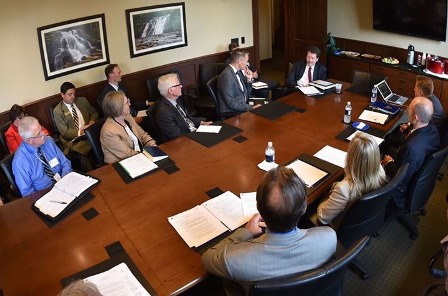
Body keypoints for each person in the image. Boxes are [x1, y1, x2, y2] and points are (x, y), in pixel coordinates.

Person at [201, 166, 337, 295]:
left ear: (259, 210)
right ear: (304, 208)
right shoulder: (329, 238)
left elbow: (207, 258)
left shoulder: (233, 260)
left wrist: (246, 232)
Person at [382, 97, 441, 209]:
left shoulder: (411, 148)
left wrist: (389, 163)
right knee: (388, 146)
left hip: (401, 193)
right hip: (421, 181)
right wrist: (409, 130)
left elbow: (400, 179)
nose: (408, 111)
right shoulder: (433, 129)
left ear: (415, 117)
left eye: (409, 109)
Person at [317, 132, 387, 225]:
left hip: (341, 225)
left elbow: (323, 218)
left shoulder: (343, 188)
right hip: (365, 220)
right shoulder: (380, 170)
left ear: (351, 157)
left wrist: (320, 204)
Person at [382, 76, 445, 156]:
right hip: (429, 134)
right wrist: (409, 125)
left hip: (424, 137)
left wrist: (409, 128)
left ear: (420, 92)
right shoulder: (430, 98)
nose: (414, 89)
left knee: (389, 139)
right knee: (398, 127)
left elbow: (423, 124)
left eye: (415, 88)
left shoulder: (427, 106)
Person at [12, 116, 72, 197]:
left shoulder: (48, 141)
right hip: (46, 195)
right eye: (39, 133)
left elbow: (65, 163)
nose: (43, 133)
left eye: (41, 129)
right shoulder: (20, 161)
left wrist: (65, 180)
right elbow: (27, 193)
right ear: (29, 140)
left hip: (66, 183)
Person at [100, 91, 156, 164]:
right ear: (118, 107)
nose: (130, 104)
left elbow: (142, 134)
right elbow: (126, 154)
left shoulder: (127, 116)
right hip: (121, 164)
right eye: (127, 103)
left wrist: (152, 145)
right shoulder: (108, 131)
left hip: (139, 157)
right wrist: (147, 156)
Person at [153, 73, 212, 142]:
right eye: (178, 85)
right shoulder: (163, 112)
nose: (181, 86)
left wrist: (201, 123)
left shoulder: (176, 99)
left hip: (193, 132)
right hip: (185, 142)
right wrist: (200, 131)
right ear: (171, 90)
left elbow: (186, 118)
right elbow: (178, 136)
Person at [53, 82, 98, 171]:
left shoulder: (82, 101)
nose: (73, 96)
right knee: (83, 149)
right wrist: (80, 132)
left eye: (74, 93)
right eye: (69, 94)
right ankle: (91, 173)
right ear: (62, 95)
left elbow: (94, 113)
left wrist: (91, 123)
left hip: (89, 132)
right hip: (73, 139)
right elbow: (64, 132)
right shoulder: (58, 111)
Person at [217, 49, 262, 114]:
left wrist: (249, 79)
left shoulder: (238, 72)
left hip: (242, 104)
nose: (247, 64)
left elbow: (246, 94)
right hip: (233, 112)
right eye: (246, 61)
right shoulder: (226, 76)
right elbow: (231, 103)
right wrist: (251, 108)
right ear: (239, 61)